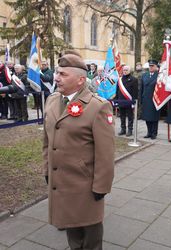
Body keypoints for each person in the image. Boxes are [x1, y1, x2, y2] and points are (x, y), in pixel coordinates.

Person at [43, 52, 115, 250]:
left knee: (90, 234)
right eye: (57, 73)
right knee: (71, 228)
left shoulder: (97, 107)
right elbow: (47, 139)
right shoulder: (52, 101)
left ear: (81, 80)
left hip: (85, 184)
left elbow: (105, 153)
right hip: (61, 181)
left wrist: (101, 186)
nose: (56, 77)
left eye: (63, 74)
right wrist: (47, 168)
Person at [116, 65, 138, 136]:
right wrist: (117, 100)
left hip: (129, 101)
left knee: (130, 116)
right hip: (121, 101)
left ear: (129, 71)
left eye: (126, 70)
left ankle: (130, 130)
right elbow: (117, 91)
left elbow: (135, 92)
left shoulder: (134, 79)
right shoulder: (120, 79)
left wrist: (134, 101)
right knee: (122, 116)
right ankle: (123, 129)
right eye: (124, 70)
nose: (125, 71)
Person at [140, 59, 160, 139]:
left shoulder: (159, 76)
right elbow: (141, 88)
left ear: (156, 67)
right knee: (147, 117)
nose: (151, 67)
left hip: (154, 100)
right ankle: (149, 132)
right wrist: (141, 99)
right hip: (146, 99)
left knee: (154, 118)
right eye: (150, 66)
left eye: (152, 66)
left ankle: (154, 133)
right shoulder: (144, 75)